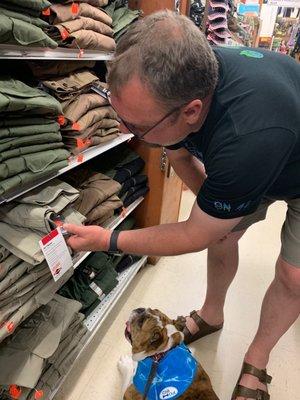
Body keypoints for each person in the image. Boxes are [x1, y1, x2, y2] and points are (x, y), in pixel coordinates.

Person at [64, 11, 300, 400]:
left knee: (293, 274)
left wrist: (108, 239)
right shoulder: (183, 71)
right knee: (223, 234)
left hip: (286, 154)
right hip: (257, 148)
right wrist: (218, 217)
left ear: (191, 110)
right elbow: (182, 161)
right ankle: (212, 314)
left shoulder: (245, 137)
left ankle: (256, 361)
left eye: (136, 126)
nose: (125, 131)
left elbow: (194, 234)